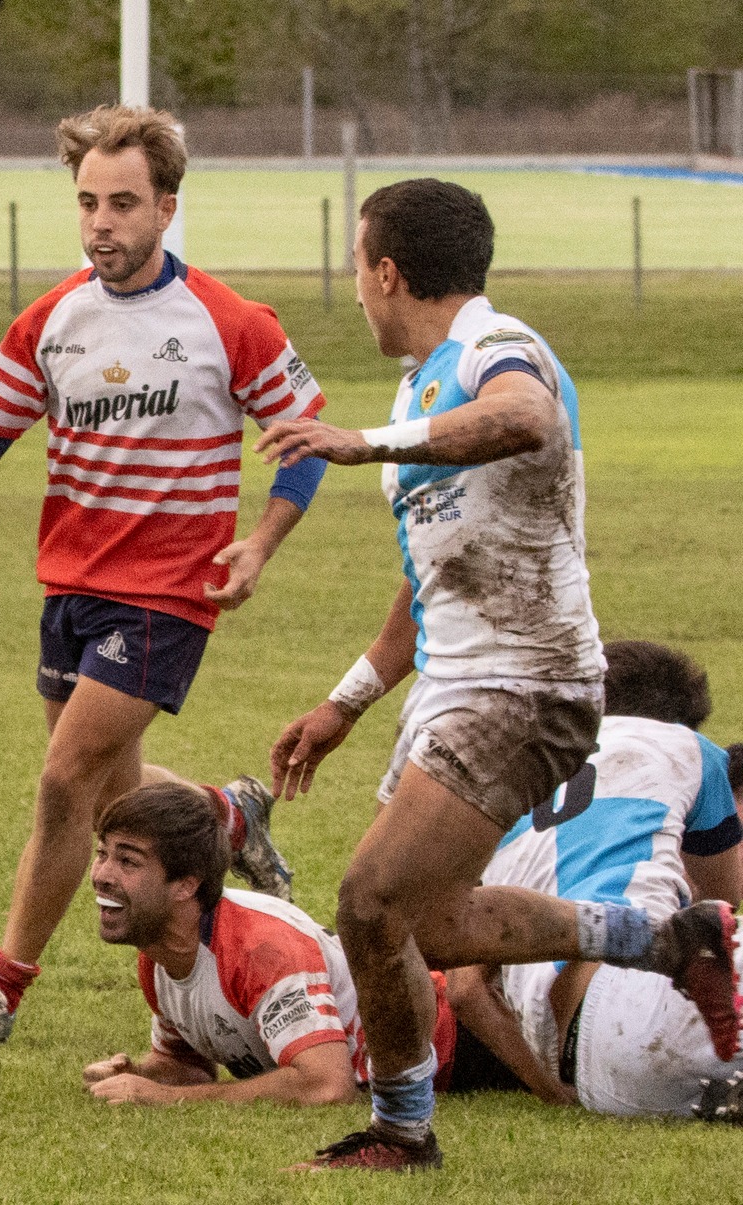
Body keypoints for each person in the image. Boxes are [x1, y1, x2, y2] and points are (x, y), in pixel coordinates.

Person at [256, 178, 739, 1171]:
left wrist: (362, 442)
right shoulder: (419, 382)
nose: (355, 290)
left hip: (525, 685)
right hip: (452, 689)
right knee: (424, 929)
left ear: (385, 272)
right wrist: (344, 701)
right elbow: (423, 579)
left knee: (364, 901)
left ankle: (400, 1130)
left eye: (357, 267)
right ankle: (663, 939)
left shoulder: (493, 349)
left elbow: (523, 417)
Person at [0, 103, 329, 1045]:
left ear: (167, 209)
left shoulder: (229, 321)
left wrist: (259, 542)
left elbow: (301, 440)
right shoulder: (51, 320)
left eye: (124, 204)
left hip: (166, 595)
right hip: (71, 589)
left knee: (65, 784)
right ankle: (228, 813)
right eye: (88, 203)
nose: (103, 222)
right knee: (114, 795)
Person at [443, 641, 742, 1118]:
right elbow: (728, 898)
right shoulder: (687, 747)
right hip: (657, 991)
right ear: (678, 719)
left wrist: (551, 1091)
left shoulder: (505, 790)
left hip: (592, 1071)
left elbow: (464, 989)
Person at [80, 781, 460, 1107]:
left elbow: (328, 1086)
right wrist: (140, 1075)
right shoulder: (159, 953)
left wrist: (166, 1099)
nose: (101, 875)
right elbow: (186, 1065)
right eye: (103, 854)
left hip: (458, 1050)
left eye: (127, 861)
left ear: (185, 885)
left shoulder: (260, 948)